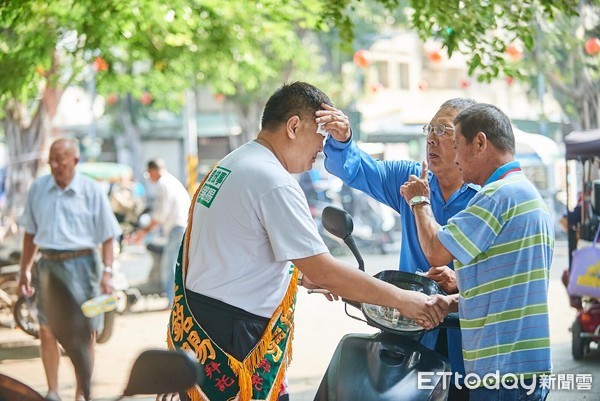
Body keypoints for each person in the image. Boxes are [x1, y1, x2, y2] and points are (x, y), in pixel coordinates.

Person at [166, 81, 448, 401]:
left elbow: (235, 250)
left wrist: (298, 275)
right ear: (294, 126)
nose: (322, 148)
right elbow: (325, 270)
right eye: (321, 136)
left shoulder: (233, 163)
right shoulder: (273, 181)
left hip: (203, 330)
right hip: (236, 341)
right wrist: (404, 301)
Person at [321, 98, 479, 400]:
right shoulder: (410, 179)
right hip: (409, 324)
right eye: (429, 129)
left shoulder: (484, 196)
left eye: (443, 131)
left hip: (467, 329)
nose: (431, 138)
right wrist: (343, 140)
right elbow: (358, 170)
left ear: (468, 142)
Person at [400, 103, 554, 401]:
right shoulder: (525, 193)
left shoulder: (497, 196)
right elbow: (505, 289)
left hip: (500, 371)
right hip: (521, 371)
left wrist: (419, 200)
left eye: (456, 145)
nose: (454, 157)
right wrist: (454, 298)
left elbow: (435, 250)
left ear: (480, 143)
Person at [18, 137, 122, 401]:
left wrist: (107, 273)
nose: (54, 164)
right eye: (51, 159)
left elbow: (109, 236)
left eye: (60, 159)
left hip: (84, 266)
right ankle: (52, 391)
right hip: (48, 266)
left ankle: (81, 393)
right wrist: (24, 270)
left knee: (85, 333)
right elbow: (30, 234)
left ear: (75, 160)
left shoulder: (91, 190)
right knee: (46, 328)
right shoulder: (38, 189)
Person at [129, 158, 190, 306]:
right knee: (175, 266)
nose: (149, 177)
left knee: (169, 268)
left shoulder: (164, 184)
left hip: (176, 228)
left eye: (149, 173)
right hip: (180, 227)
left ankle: (173, 302)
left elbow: (159, 215)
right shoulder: (172, 181)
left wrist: (142, 233)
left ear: (154, 170)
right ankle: (175, 302)